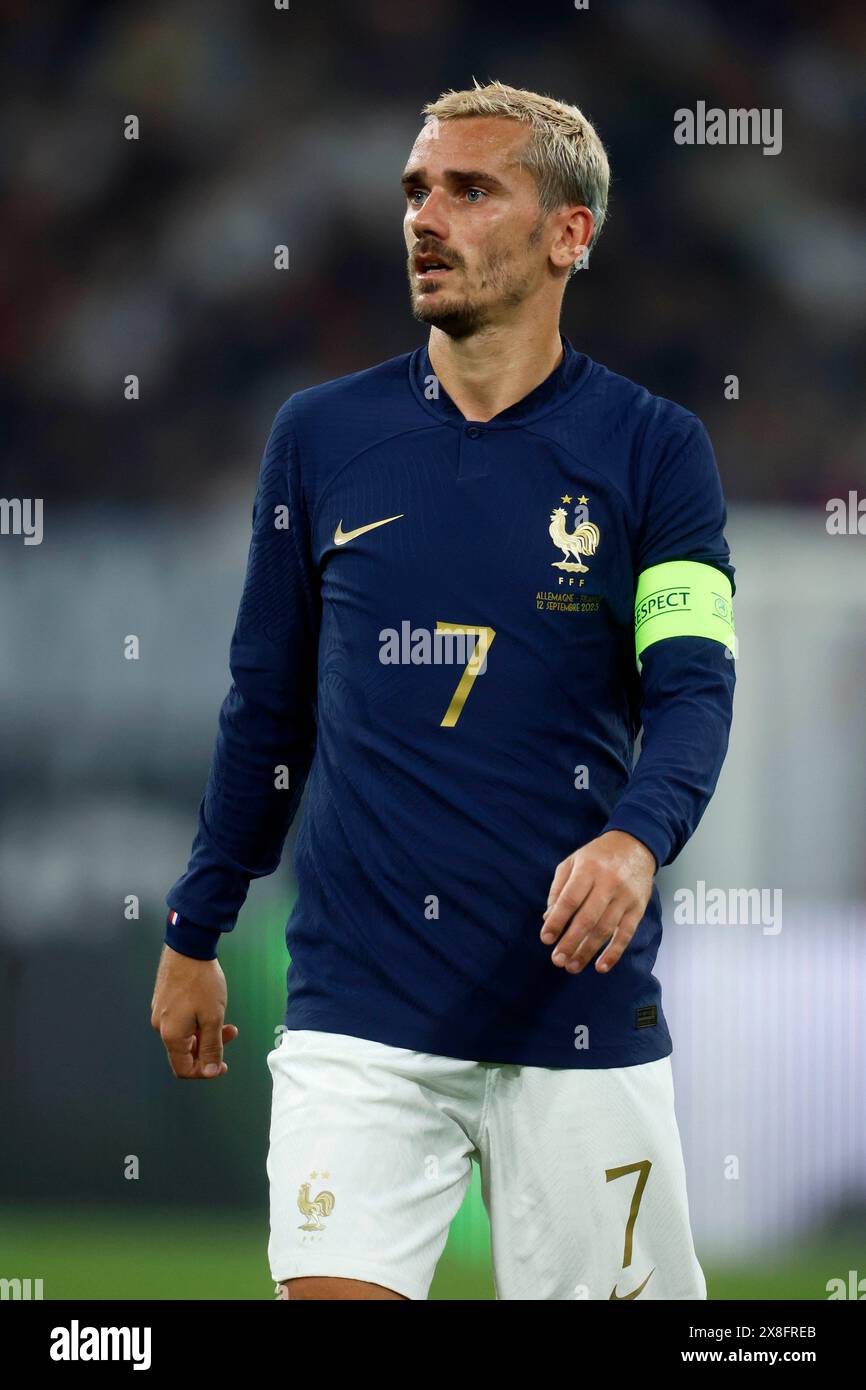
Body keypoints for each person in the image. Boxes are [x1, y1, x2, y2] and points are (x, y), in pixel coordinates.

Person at [151, 79, 736, 1301]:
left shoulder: (652, 449)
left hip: (572, 1003)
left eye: (471, 190)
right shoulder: (319, 437)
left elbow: (692, 686)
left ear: (567, 234)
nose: (426, 216)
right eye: (417, 190)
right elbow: (267, 706)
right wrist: (196, 925)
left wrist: (634, 840)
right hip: (359, 1009)